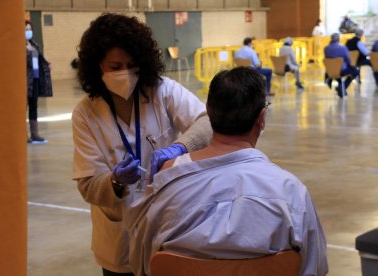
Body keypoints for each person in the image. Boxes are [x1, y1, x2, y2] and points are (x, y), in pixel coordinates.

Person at [125, 67, 328, 276]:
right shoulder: (291, 192)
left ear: (209, 115)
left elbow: (141, 263)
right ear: (262, 118)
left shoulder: (167, 187)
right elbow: (315, 268)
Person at [71, 13, 212, 276]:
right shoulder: (85, 114)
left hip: (167, 227)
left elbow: (207, 122)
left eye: (131, 65)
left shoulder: (162, 91)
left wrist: (180, 147)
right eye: (115, 67)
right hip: (117, 236)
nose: (124, 73)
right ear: (97, 65)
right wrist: (114, 181)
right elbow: (88, 185)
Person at [25, 20, 52, 144]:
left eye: (30, 29)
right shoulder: (19, 46)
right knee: (22, 108)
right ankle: (23, 135)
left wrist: (47, 65)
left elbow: (40, 60)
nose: (28, 31)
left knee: (33, 107)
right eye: (26, 29)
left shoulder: (34, 44)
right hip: (25, 81)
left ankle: (35, 134)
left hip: (35, 79)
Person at [324, 33, 359, 97]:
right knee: (355, 71)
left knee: (339, 72)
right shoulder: (343, 48)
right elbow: (348, 60)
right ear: (339, 39)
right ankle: (342, 87)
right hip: (341, 71)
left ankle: (341, 88)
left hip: (330, 71)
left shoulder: (326, 48)